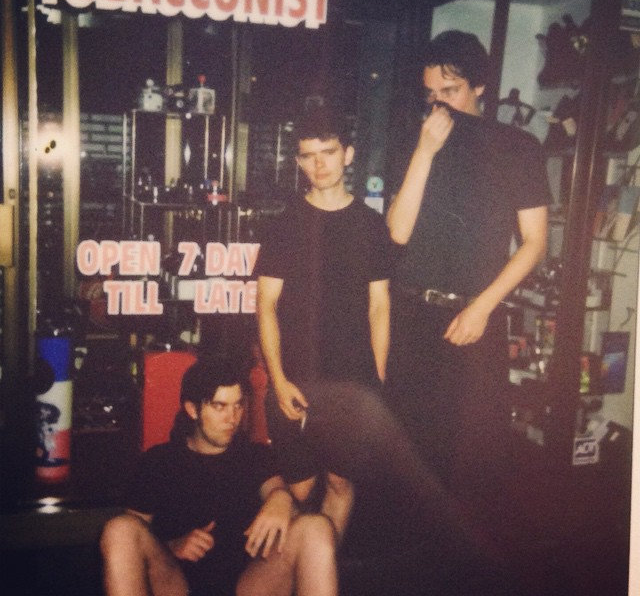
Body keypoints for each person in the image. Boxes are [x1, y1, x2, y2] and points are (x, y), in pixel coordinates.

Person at [386, 30, 551, 497]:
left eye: (451, 90)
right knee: (406, 456)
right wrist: (424, 152)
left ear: (479, 86)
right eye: (431, 94)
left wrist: (482, 307)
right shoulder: (418, 140)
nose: (439, 104)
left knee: (470, 461)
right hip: (412, 312)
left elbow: (535, 243)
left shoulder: (518, 147)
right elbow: (397, 233)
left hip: (475, 315)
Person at [255, 105, 392, 540]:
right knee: (296, 490)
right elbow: (266, 306)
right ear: (298, 161)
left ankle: (322, 569)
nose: (319, 165)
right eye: (308, 156)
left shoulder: (371, 225)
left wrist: (377, 382)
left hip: (351, 380)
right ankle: (291, 568)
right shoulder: (284, 224)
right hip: (296, 376)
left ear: (347, 154)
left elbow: (379, 306)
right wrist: (278, 380)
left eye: (328, 152)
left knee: (339, 483)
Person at [100, 357, 338, 596]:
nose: (232, 418)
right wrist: (172, 546)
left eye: (238, 405)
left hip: (248, 583)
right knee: (119, 530)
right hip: (177, 583)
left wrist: (281, 497)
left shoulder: (255, 455)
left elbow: (277, 492)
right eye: (219, 406)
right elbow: (135, 534)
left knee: (316, 527)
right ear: (192, 409)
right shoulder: (158, 461)